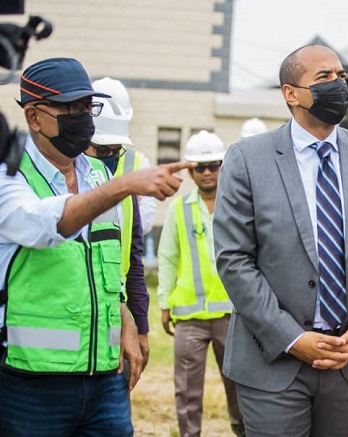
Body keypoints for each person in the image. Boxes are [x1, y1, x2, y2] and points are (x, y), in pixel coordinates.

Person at [213, 44, 348, 437]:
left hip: (346, 361)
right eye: (324, 78)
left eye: (341, 76)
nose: (338, 85)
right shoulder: (247, 159)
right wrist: (291, 337)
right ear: (291, 93)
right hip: (271, 363)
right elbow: (234, 259)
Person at [0, 57, 192, 435]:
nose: (83, 117)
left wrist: (127, 320)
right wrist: (126, 184)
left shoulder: (98, 175)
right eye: (70, 108)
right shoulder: (9, 177)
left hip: (105, 379)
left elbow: (107, 264)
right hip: (29, 382)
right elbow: (47, 225)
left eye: (88, 106)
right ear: (35, 117)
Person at [157, 130, 244, 437]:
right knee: (187, 391)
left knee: (239, 388)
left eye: (214, 165)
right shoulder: (179, 209)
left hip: (232, 316)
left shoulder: (238, 205)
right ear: (190, 170)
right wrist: (165, 303)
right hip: (190, 317)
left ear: (223, 166)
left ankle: (244, 432)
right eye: (200, 167)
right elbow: (167, 257)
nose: (207, 172)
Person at [85, 92, 151, 369]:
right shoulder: (56, 192)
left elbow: (134, 262)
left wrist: (142, 328)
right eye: (103, 151)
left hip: (115, 313)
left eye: (116, 152)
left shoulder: (123, 193)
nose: (111, 159)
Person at [92, 77, 156, 235]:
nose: (110, 156)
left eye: (116, 151)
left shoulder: (137, 162)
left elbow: (144, 223)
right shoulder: (73, 163)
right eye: (102, 150)